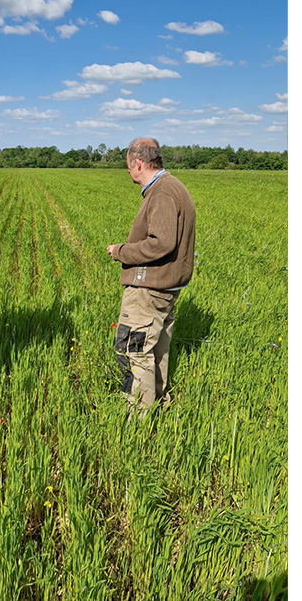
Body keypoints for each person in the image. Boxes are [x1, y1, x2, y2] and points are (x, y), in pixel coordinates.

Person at [105, 137, 196, 411]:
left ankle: (139, 418)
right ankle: (158, 404)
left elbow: (162, 242)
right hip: (165, 287)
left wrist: (121, 251)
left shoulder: (163, 193)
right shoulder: (171, 187)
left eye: (129, 166)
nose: (129, 172)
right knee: (156, 349)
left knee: (133, 349)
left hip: (149, 288)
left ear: (138, 163)